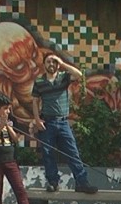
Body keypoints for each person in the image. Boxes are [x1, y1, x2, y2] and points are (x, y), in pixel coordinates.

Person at [31, 54, 98, 194]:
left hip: (63, 122)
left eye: (54, 62)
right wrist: (37, 119)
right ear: (44, 64)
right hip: (47, 122)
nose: (51, 64)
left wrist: (62, 63)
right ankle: (53, 182)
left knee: (72, 152)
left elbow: (79, 75)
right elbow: (35, 101)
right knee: (48, 154)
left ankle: (82, 182)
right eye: (48, 61)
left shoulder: (64, 77)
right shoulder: (39, 81)